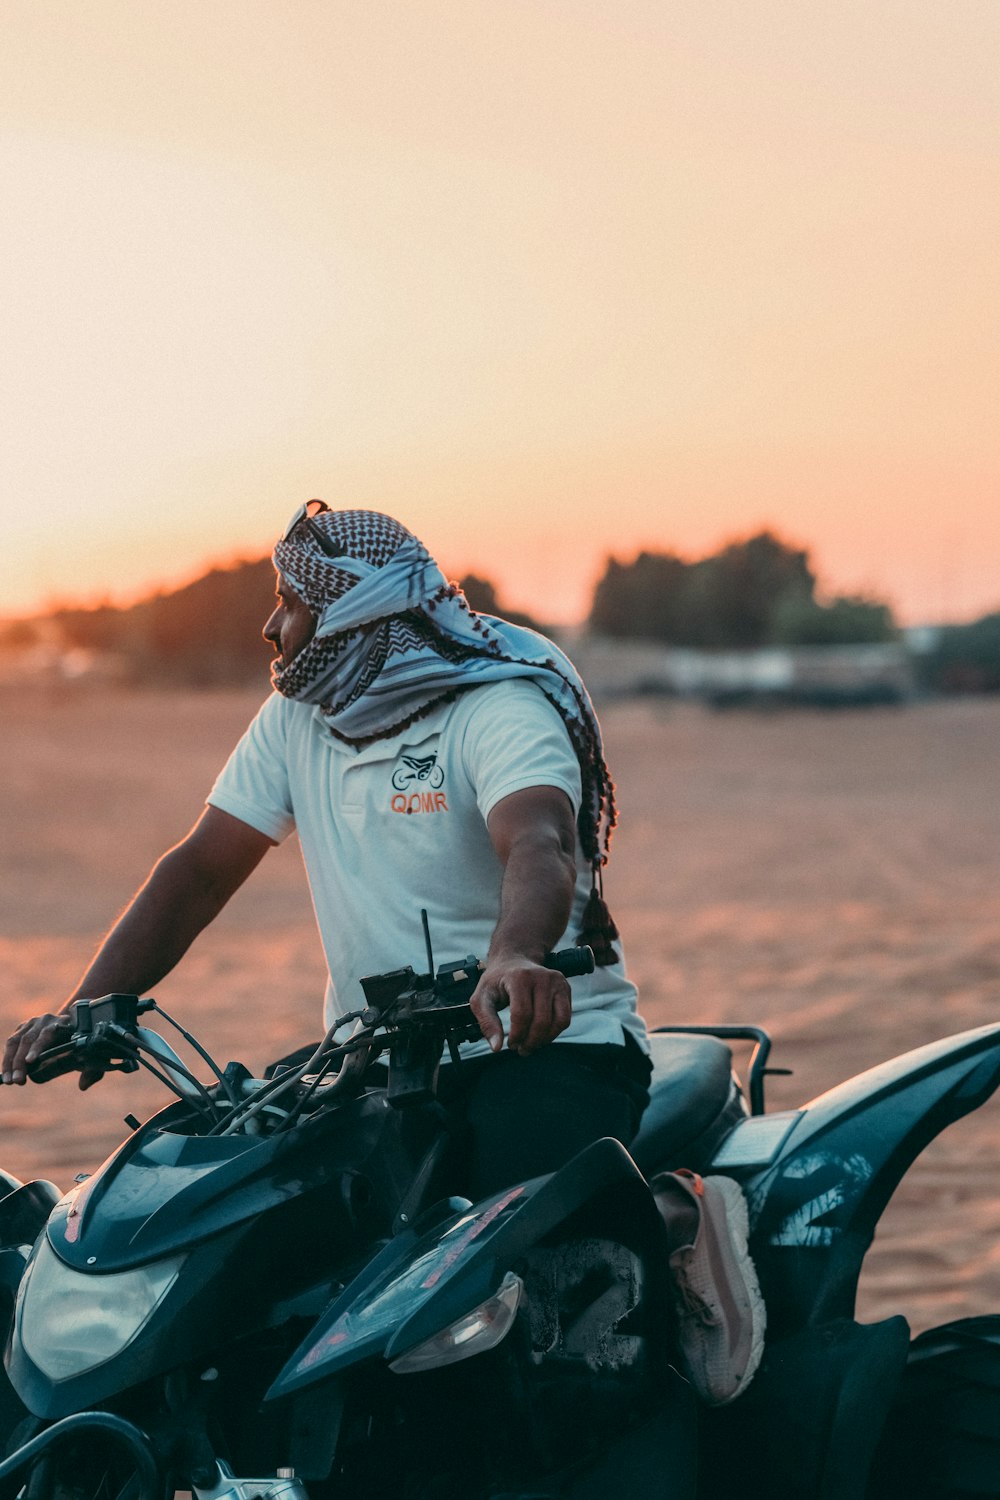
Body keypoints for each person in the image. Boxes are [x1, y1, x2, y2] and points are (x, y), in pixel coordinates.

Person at [1, 501, 763, 1403]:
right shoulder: (298, 719)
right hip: (378, 1059)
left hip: (548, 1048)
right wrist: (89, 1007)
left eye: (290, 602)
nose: (271, 624)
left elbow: (539, 842)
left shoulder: (495, 703)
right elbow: (202, 869)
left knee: (515, 1293)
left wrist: (516, 956)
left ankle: (674, 1214)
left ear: (357, 614)